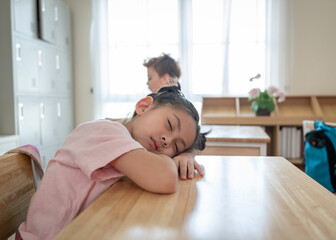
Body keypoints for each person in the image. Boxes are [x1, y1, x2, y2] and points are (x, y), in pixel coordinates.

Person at [17, 87, 207, 240]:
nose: (167, 140)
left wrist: (188, 155)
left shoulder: (131, 147)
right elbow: (165, 178)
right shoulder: (105, 131)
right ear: (143, 106)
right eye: (170, 125)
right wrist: (178, 157)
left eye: (176, 146)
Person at [143, 53, 203, 180]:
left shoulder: (176, 105)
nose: (147, 83)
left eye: (150, 78)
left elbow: (200, 139)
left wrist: (188, 154)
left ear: (165, 78)